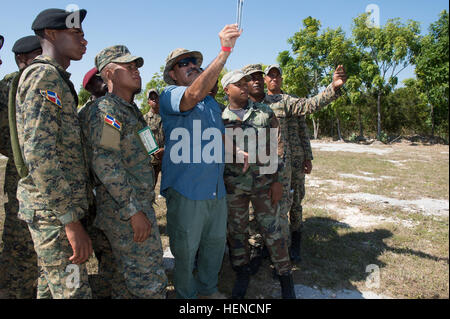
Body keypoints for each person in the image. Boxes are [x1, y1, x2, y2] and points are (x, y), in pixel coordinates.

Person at [11, 8, 93, 299]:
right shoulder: (45, 77)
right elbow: (39, 154)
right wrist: (70, 221)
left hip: (55, 210)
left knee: (50, 288)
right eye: (76, 33)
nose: (84, 40)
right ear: (51, 34)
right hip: (55, 214)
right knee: (73, 291)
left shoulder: (55, 78)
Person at [159, 24, 242, 299]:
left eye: (195, 62)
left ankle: (208, 289)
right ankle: (187, 297)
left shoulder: (209, 103)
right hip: (186, 191)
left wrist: (236, 151)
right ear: (173, 73)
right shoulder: (169, 94)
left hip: (214, 190)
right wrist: (224, 52)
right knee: (185, 250)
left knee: (215, 245)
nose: (193, 66)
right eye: (185, 63)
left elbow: (217, 134)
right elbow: (191, 95)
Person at [80, 45, 168, 299]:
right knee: (149, 282)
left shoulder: (128, 109)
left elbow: (142, 143)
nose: (136, 71)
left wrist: (154, 152)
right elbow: (106, 161)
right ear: (108, 73)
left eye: (136, 66)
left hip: (135, 206)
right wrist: (133, 211)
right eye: (127, 67)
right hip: (127, 212)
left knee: (123, 283)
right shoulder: (108, 111)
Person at [243, 63, 347, 270]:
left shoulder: (282, 101)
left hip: (281, 167)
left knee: (283, 209)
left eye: (260, 76)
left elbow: (310, 105)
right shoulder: (242, 104)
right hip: (254, 169)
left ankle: (282, 255)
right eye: (253, 78)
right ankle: (258, 248)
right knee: (256, 210)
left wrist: (333, 88)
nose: (259, 80)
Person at [221, 70, 296, 299]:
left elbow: (277, 147)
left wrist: (277, 180)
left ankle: (285, 277)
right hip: (234, 187)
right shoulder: (219, 117)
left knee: (273, 230)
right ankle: (241, 272)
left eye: (246, 83)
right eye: (238, 83)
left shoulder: (264, 112)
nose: (245, 87)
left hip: (264, 184)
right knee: (237, 232)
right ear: (227, 90)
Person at [0, 35, 42, 299]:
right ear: (22, 60)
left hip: (42, 176)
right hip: (21, 175)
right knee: (19, 243)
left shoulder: (44, 80)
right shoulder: (10, 86)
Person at [265, 64, 314, 262]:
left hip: (296, 158)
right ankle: (275, 243)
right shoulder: (263, 103)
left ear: (282, 80)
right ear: (266, 79)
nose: (275, 79)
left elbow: (303, 130)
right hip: (278, 162)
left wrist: (308, 157)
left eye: (278, 76)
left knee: (296, 201)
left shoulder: (291, 101)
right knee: (280, 202)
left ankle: (296, 240)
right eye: (271, 76)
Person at [78, 67, 116, 299]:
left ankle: (108, 281)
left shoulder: (116, 107)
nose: (105, 82)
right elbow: (110, 151)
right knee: (101, 242)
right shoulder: (97, 112)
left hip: (103, 188)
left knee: (108, 244)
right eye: (99, 79)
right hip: (98, 188)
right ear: (90, 86)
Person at [143, 89, 164, 185]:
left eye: (156, 97)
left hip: (167, 158)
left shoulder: (167, 117)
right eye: (151, 98)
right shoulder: (144, 119)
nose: (154, 100)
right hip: (151, 161)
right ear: (148, 102)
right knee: (150, 187)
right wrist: (154, 152)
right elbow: (143, 138)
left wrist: (165, 149)